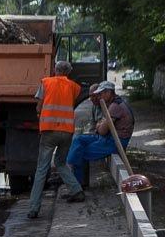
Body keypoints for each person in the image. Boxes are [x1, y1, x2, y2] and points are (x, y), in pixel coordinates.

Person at [26, 61, 85, 218]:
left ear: (55, 70)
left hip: (49, 130)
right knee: (60, 162)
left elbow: (39, 107)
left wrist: (40, 114)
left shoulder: (46, 82)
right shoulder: (74, 87)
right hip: (67, 131)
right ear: (68, 73)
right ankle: (76, 190)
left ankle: (34, 208)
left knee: (42, 168)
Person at [66, 80, 134, 183]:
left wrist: (100, 125)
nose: (99, 96)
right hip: (108, 138)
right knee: (78, 139)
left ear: (108, 92)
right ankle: (70, 167)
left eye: (101, 93)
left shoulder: (115, 106)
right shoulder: (112, 104)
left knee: (80, 152)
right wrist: (100, 124)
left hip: (115, 142)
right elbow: (100, 125)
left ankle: (74, 181)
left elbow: (102, 130)